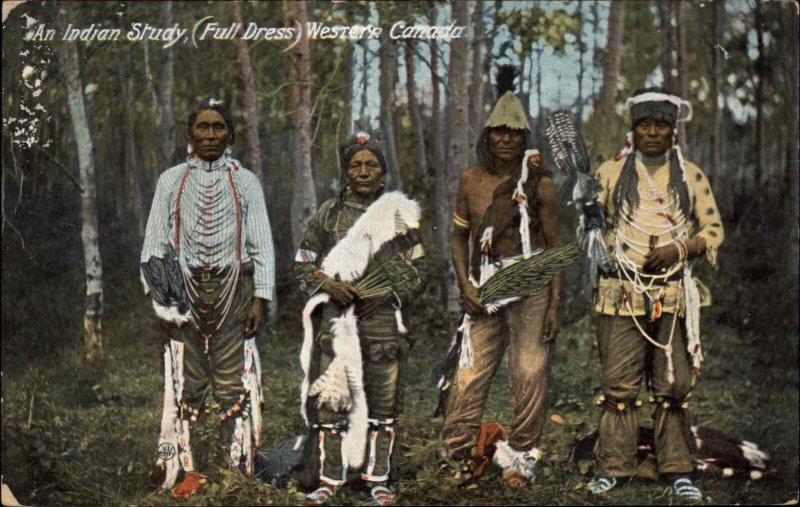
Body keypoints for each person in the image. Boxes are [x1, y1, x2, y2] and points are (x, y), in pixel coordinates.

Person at [586, 87, 724, 501]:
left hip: (673, 295)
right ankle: (613, 466)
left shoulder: (690, 175)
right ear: (633, 130)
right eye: (643, 125)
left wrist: (678, 249)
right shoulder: (609, 174)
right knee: (618, 385)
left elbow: (713, 230)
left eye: (660, 125)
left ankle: (678, 469)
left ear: (672, 131)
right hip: (621, 294)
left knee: (673, 386)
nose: (651, 132)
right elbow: (592, 231)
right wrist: (593, 233)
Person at [141, 98, 275, 498]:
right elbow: (154, 246)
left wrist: (260, 299)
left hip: (235, 291)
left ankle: (235, 467)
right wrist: (165, 303)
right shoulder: (171, 181)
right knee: (189, 381)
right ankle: (190, 469)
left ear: (230, 134)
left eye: (219, 127)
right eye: (203, 127)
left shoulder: (246, 181)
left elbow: (263, 245)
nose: (211, 134)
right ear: (190, 134)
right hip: (183, 292)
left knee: (234, 382)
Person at [439, 82, 562, 488]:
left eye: (514, 132)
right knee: (469, 374)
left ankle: (521, 458)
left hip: (532, 282)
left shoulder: (538, 182)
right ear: (487, 136)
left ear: (524, 137)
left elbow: (553, 247)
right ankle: (457, 455)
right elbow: (459, 237)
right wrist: (463, 283)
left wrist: (553, 304)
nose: (506, 138)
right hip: (485, 284)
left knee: (529, 371)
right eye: (499, 131)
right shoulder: (471, 180)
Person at [294, 133, 425, 506]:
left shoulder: (398, 216)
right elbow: (303, 262)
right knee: (331, 398)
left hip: (382, 320)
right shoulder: (328, 215)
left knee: (383, 400)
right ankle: (329, 478)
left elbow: (417, 266)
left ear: (383, 174)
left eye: (371, 165)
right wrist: (329, 285)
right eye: (356, 165)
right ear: (345, 172)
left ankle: (379, 478)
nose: (363, 171)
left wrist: (385, 291)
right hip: (337, 321)